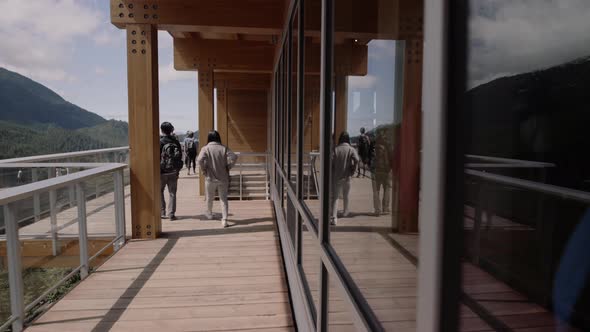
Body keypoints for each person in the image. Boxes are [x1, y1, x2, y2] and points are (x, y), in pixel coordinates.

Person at [197, 130, 237, 228]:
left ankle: (209, 214)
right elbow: (234, 157)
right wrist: (229, 166)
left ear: (209, 138)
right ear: (218, 138)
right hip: (223, 178)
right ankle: (225, 219)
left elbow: (199, 159)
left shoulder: (205, 148)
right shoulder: (224, 148)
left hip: (210, 178)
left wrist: (204, 169)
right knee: (223, 199)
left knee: (210, 198)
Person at [330, 131, 359, 225]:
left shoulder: (336, 149)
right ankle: (345, 212)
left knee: (336, 198)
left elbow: (331, 162)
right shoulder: (351, 149)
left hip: (337, 177)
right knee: (346, 195)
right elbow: (357, 160)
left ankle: (334, 217)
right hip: (347, 177)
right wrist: (353, 169)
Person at [160, 121, 183, 220]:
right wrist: (177, 169)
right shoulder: (176, 142)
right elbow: (180, 156)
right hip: (173, 171)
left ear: (161, 130)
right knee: (172, 193)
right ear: (171, 130)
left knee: (159, 191)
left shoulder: (160, 142)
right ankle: (171, 214)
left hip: (162, 171)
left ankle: (162, 212)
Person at [372, 131, 393, 216]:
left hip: (376, 170)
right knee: (387, 189)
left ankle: (377, 209)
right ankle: (386, 208)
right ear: (385, 134)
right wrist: (391, 167)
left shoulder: (374, 144)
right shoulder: (388, 144)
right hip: (386, 170)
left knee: (376, 190)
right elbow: (392, 156)